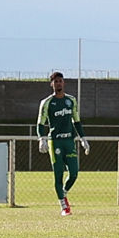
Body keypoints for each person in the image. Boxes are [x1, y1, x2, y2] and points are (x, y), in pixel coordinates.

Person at [36, 71, 90, 215]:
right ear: (51, 84)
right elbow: (40, 123)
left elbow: (76, 121)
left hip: (69, 141)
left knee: (74, 173)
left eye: (60, 81)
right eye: (56, 81)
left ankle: (63, 192)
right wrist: (42, 139)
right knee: (58, 174)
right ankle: (63, 206)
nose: (58, 83)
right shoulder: (47, 102)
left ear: (63, 83)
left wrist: (83, 139)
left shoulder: (71, 100)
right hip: (55, 142)